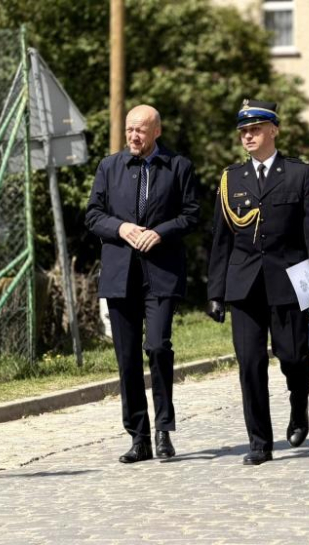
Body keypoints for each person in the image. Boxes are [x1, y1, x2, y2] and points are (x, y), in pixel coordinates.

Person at [206, 99, 309, 465]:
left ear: (273, 130)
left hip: (288, 279)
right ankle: (260, 442)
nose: (248, 136)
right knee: (249, 363)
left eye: (255, 129)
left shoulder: (298, 174)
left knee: (292, 355)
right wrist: (215, 291)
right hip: (243, 283)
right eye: (244, 131)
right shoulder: (232, 179)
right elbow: (221, 239)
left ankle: (299, 401)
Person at [85, 105, 200, 464]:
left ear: (156, 132)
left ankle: (164, 429)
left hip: (162, 273)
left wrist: (160, 233)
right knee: (128, 358)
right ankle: (139, 437)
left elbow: (192, 214)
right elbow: (93, 214)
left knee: (158, 346)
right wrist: (120, 228)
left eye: (141, 130)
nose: (134, 136)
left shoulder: (178, 167)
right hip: (121, 275)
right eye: (130, 130)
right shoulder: (110, 167)